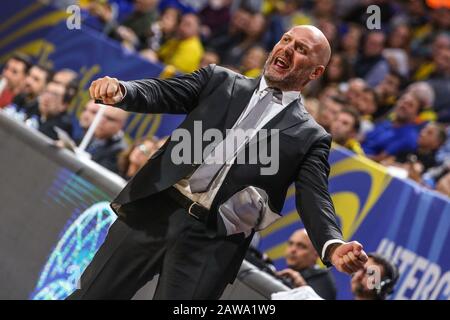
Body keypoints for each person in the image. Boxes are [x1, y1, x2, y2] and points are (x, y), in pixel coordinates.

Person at [68, 25, 368, 300]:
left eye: (301, 49)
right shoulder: (218, 80)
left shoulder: (310, 136)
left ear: (315, 73)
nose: (287, 49)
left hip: (212, 244)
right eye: (285, 40)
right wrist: (123, 91)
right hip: (155, 212)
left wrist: (333, 245)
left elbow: (315, 197)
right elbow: (162, 92)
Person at [276, 229, 337, 300]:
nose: (293, 250)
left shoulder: (323, 281)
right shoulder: (286, 275)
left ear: (316, 254)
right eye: (290, 243)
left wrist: (303, 288)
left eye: (301, 246)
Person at [85, 106, 128, 174]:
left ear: (121, 124)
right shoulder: (92, 134)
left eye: (109, 119)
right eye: (102, 115)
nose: (102, 121)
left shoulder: (119, 151)